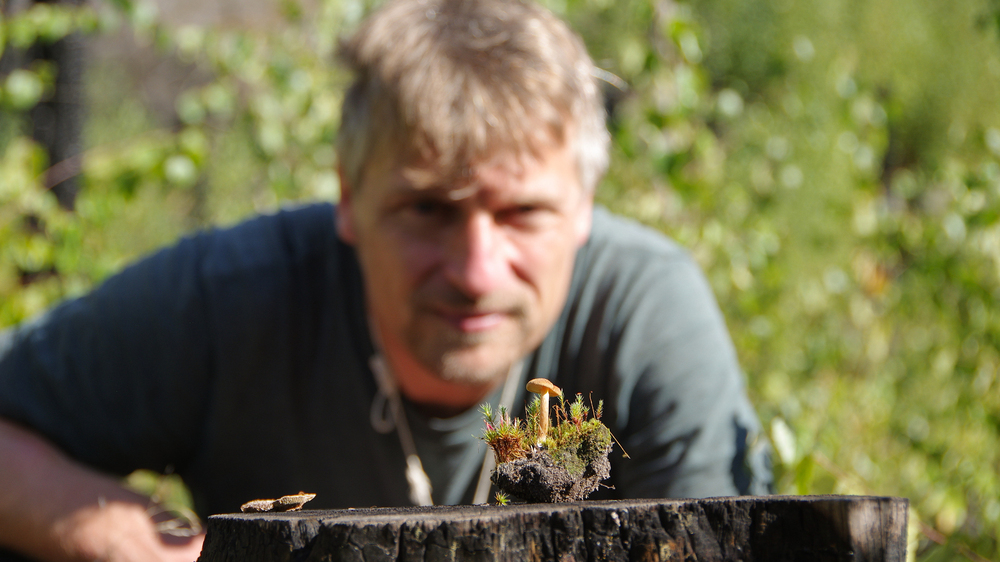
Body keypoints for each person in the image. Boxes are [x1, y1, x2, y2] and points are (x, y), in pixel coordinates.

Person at [0, 0, 772, 560]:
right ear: (348, 196)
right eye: (427, 208)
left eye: (523, 213)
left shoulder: (645, 308)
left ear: (584, 208)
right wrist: (152, 548)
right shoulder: (236, 291)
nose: (475, 271)